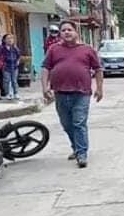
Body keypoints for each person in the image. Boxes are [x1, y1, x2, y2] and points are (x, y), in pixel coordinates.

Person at [41, 20, 103, 168]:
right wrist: (44, 88)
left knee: (79, 123)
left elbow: (98, 69)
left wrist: (99, 88)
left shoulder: (87, 49)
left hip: (81, 93)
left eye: (69, 30)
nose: (66, 32)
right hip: (60, 92)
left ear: (76, 32)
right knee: (67, 124)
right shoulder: (53, 49)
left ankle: (82, 154)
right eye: (63, 30)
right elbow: (45, 68)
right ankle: (76, 148)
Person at [0, 34, 21, 100]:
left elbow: (19, 56)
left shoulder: (15, 48)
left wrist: (18, 61)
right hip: (6, 67)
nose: (10, 40)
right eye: (8, 38)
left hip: (14, 67)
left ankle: (15, 93)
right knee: (6, 80)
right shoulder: (2, 48)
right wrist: (2, 63)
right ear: (4, 40)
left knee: (14, 80)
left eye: (11, 38)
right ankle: (7, 93)